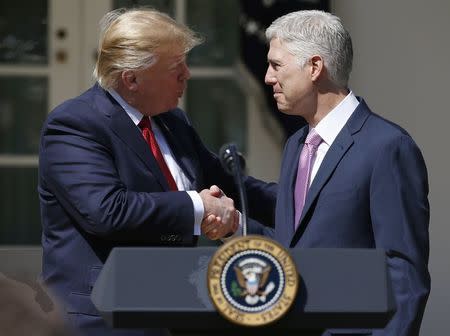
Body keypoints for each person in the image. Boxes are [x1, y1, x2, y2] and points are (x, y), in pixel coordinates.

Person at [38, 7, 275, 336]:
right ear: (131, 79)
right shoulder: (75, 125)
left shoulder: (171, 120)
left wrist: (304, 195)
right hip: (103, 317)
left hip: (172, 310)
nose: (187, 75)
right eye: (176, 68)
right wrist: (200, 207)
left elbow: (230, 185)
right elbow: (107, 211)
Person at [261, 9, 430, 336]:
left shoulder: (387, 147)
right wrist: (235, 222)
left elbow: (404, 273)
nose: (268, 77)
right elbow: (296, 244)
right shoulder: (296, 144)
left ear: (314, 67)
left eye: (276, 65)